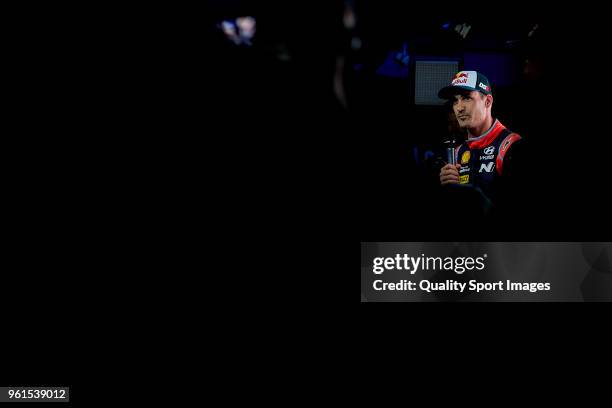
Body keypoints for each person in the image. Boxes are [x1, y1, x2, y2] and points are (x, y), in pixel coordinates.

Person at [437, 71, 522, 210]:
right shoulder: (458, 152)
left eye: (466, 98)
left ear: (487, 101)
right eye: (455, 100)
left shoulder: (511, 145)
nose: (459, 108)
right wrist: (449, 188)